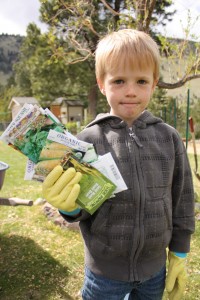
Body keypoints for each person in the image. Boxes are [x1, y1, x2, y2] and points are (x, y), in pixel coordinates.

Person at [42, 29, 195, 300]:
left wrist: (180, 252)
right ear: (102, 83)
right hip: (104, 275)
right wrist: (69, 209)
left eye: (141, 81)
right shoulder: (87, 140)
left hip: (154, 270)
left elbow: (182, 197)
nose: (131, 92)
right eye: (119, 81)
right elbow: (82, 205)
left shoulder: (168, 137)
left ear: (154, 83)